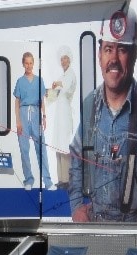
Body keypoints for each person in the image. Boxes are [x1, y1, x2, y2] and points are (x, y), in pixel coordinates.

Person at [68, 5, 137, 223]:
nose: (114, 58)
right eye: (108, 49)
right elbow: (76, 158)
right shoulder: (90, 105)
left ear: (134, 55)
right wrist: (76, 207)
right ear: (99, 55)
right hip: (95, 230)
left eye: (122, 50)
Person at [14, 51, 56, 191]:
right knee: (24, 149)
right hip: (24, 114)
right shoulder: (20, 81)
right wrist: (18, 121)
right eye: (26, 63)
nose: (29, 66)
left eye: (31, 63)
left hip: (37, 114)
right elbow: (17, 102)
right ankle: (28, 179)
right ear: (23, 64)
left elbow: (42, 100)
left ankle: (48, 181)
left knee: (41, 149)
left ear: (34, 64)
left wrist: (44, 116)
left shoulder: (39, 81)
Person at [50, 46, 76, 189]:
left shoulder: (70, 74)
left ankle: (66, 179)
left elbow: (66, 88)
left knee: (64, 144)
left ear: (69, 60)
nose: (63, 61)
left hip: (65, 113)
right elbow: (55, 93)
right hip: (59, 114)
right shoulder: (62, 75)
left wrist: (58, 84)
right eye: (61, 59)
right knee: (58, 144)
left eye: (65, 58)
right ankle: (60, 178)